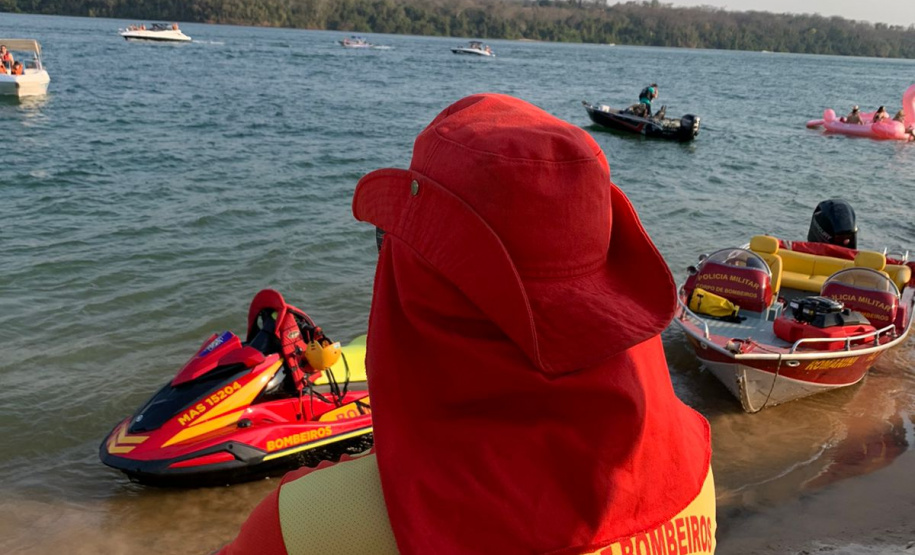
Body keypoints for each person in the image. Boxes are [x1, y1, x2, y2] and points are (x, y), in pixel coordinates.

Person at [216, 94, 715, 555]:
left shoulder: (306, 531)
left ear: (412, 287)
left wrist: (335, 493)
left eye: (392, 241)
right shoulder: (694, 477)